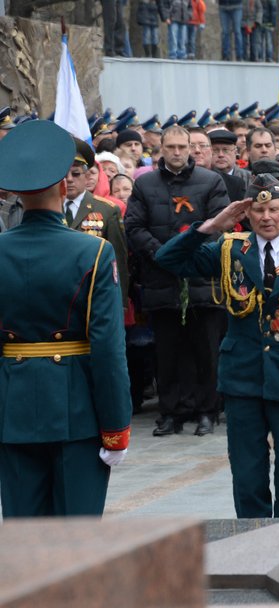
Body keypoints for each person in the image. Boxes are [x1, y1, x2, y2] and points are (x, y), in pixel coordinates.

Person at [155, 175, 279, 518]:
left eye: (274, 209)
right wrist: (212, 225)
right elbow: (168, 260)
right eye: (258, 210)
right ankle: (252, 543)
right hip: (243, 378)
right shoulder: (230, 249)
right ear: (246, 213)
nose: (266, 217)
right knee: (247, 473)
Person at [0, 120, 132, 517]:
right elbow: (108, 349)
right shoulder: (92, 252)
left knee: (25, 538)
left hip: (12, 410)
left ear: (18, 193)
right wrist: (116, 428)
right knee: (76, 539)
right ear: (63, 186)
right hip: (76, 410)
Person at [124, 125, 229, 438]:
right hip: (161, 280)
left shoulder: (211, 181)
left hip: (202, 281)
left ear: (192, 148)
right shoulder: (145, 185)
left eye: (183, 147)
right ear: (161, 150)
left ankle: (207, 411)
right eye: (171, 147)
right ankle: (171, 413)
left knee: (206, 351)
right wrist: (163, 253)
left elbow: (220, 225)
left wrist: (190, 255)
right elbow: (134, 226)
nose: (178, 152)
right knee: (168, 353)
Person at [64, 138, 130, 310]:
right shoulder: (49, 208)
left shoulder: (107, 210)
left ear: (87, 176)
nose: (69, 179)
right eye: (64, 174)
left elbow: (119, 260)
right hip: (58, 296)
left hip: (96, 296)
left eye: (76, 174)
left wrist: (120, 303)